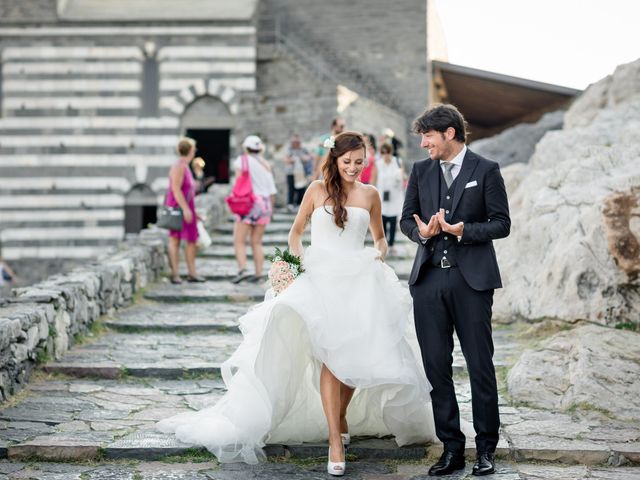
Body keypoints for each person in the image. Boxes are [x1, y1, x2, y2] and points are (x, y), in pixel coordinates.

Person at [157, 131, 435, 476]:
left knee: (355, 359)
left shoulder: (371, 195)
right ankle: (335, 439)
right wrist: (298, 256)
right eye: (347, 162)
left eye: (359, 162)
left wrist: (377, 254)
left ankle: (342, 414)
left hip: (359, 281)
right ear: (334, 159)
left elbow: (380, 239)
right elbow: (295, 231)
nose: (352, 168)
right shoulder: (317, 190)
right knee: (331, 358)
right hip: (320, 280)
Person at [400, 104, 510, 477]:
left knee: (480, 364)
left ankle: (486, 448)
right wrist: (422, 233)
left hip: (472, 283)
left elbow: (501, 224)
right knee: (436, 367)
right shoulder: (420, 170)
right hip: (428, 280)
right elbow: (405, 219)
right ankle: (451, 447)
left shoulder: (486, 170)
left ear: (449, 132)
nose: (423, 143)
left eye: (427, 135)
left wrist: (464, 230)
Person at [231, 135, 277, 284]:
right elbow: (272, 191)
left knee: (239, 240)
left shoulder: (242, 160)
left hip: (249, 203)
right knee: (256, 242)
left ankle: (243, 269)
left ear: (246, 148)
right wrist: (271, 210)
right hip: (265, 205)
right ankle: (258, 274)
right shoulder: (266, 164)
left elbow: (239, 184)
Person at [166, 137, 205, 285]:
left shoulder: (186, 166)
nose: (195, 151)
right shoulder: (178, 166)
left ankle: (192, 273)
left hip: (187, 208)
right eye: (194, 148)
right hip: (178, 208)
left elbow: (189, 190)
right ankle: (175, 274)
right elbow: (176, 189)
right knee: (175, 240)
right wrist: (186, 209)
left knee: (191, 240)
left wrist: (194, 212)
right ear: (189, 150)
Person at [376, 143, 405, 254]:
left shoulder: (397, 162)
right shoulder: (378, 164)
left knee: (393, 221)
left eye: (387, 152)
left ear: (390, 152)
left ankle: (391, 244)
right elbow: (373, 180)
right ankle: (382, 244)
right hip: (382, 196)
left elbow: (403, 177)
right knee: (382, 220)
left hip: (394, 196)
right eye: (382, 152)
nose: (385, 155)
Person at [283, 134, 313, 211]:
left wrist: (305, 158)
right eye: (294, 142)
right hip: (291, 172)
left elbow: (310, 156)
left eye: (297, 142)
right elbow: (285, 159)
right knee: (291, 188)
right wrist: (292, 160)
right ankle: (290, 204)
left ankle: (300, 204)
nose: (295, 143)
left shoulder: (303, 149)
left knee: (301, 188)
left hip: (302, 173)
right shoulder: (289, 149)